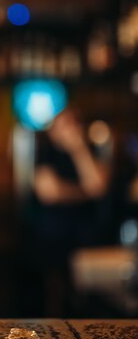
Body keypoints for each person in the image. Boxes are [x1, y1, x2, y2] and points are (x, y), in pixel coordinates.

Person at [29, 108, 112, 315]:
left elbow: (97, 186)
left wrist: (79, 150)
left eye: (74, 125)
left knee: (89, 296)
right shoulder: (45, 154)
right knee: (55, 292)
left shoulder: (92, 151)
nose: (71, 131)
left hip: (88, 235)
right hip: (53, 235)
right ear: (53, 132)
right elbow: (50, 193)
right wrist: (84, 192)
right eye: (64, 126)